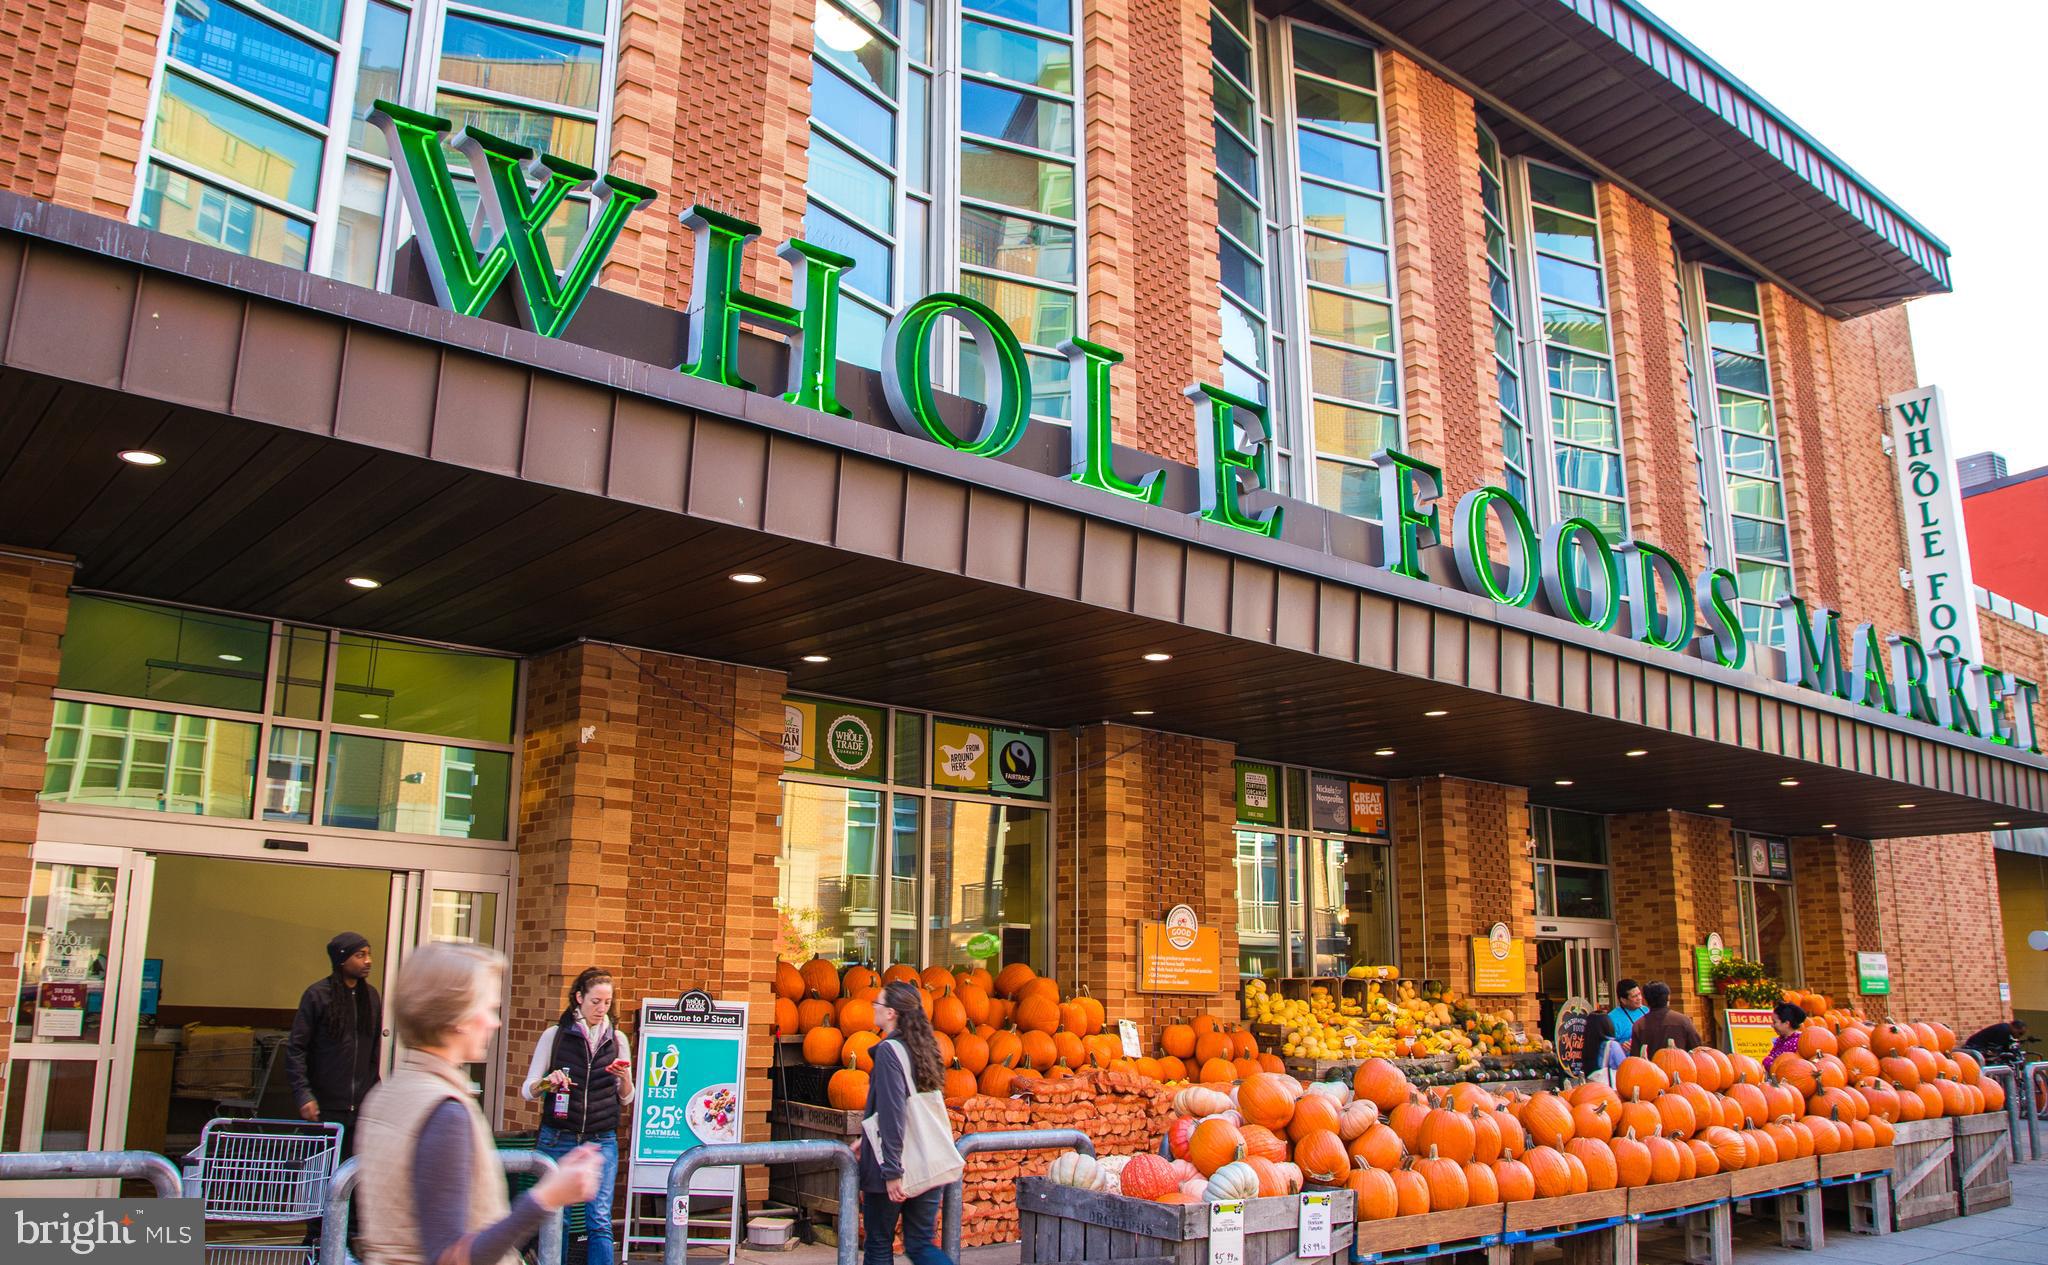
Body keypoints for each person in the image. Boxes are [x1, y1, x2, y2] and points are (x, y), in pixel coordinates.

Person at [356, 942, 603, 1265]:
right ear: (458, 1017)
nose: (495, 1022)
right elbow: (452, 1256)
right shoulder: (444, 1111)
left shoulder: (387, 1094)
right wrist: (548, 1196)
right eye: (488, 1008)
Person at [522, 968, 635, 1265]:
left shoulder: (617, 1039)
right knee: (558, 1217)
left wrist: (624, 1077)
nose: (601, 1009)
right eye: (595, 1001)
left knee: (599, 1218)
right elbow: (528, 1090)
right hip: (558, 1136)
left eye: (607, 1002)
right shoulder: (556, 1036)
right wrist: (550, 1081)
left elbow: (627, 1097)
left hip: (601, 1138)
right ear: (579, 998)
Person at [858, 980, 956, 1265]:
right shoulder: (924, 1048)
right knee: (919, 1244)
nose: (874, 1008)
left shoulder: (890, 1051)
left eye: (878, 1003)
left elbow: (893, 1112)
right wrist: (864, 1138)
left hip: (894, 1164)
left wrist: (891, 1171)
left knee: (878, 1243)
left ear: (891, 1013)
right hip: (926, 1157)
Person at [286, 931, 382, 1157]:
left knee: (354, 1178)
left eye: (369, 954)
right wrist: (304, 1094)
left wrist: (375, 1092)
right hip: (324, 1106)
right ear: (341, 959)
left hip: (361, 1107)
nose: (368, 961)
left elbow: (374, 1049)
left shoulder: (370, 996)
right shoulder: (318, 995)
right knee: (321, 1174)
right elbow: (296, 1048)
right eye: (360, 955)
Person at [1625, 981, 1702, 1053]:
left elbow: (1636, 1058)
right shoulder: (1683, 1021)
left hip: (1650, 1066)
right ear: (1668, 998)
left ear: (1645, 1000)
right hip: (1681, 1066)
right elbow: (1697, 1050)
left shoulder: (1639, 1025)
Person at [1578, 1008, 1621, 1084]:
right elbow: (1624, 1068)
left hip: (1592, 1087)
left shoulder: (1587, 1046)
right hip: (1609, 1090)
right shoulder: (1612, 1045)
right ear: (1608, 1025)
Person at [1762, 1002, 1807, 1072]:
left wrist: (1768, 1061)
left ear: (1786, 1023)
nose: (1772, 1025)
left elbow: (1780, 1067)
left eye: (1774, 1022)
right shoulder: (1782, 1039)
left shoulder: (1795, 1043)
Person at [1607, 979, 1648, 1047]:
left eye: (1639, 994)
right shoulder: (1611, 1019)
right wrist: (1620, 1046)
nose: (1639, 998)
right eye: (1635, 996)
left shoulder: (1646, 1010)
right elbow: (1606, 1046)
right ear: (1623, 1000)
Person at [1963, 1019, 2028, 1052]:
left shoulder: (2005, 1028)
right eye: (2020, 1033)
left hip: (1979, 1046)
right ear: (2014, 1028)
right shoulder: (2004, 1030)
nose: (2019, 1037)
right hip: (1975, 1046)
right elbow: (2001, 1046)